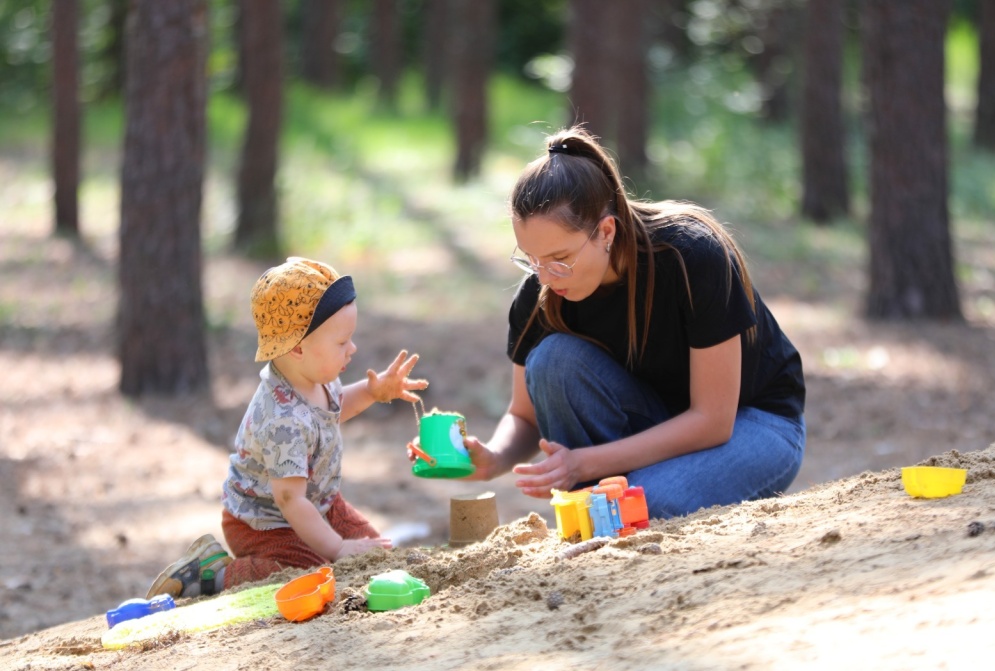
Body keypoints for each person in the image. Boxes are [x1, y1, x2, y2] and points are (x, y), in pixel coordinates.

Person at [456, 126, 805, 519]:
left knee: (645, 507)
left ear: (606, 231)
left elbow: (713, 421)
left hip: (753, 422)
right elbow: (524, 415)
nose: (546, 277)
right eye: (531, 260)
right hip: (647, 430)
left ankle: (616, 507)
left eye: (560, 258)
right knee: (553, 359)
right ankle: (599, 514)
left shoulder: (693, 256)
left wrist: (584, 463)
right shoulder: (540, 293)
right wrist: (495, 458)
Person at [147, 257, 428, 599]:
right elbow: (288, 498)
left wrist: (373, 391)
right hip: (263, 522)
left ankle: (335, 550)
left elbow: (332, 413)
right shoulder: (282, 419)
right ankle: (210, 574)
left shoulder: (315, 378)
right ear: (297, 347)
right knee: (310, 569)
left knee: (373, 550)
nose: (352, 349)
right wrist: (337, 548)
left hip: (321, 502)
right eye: (342, 342)